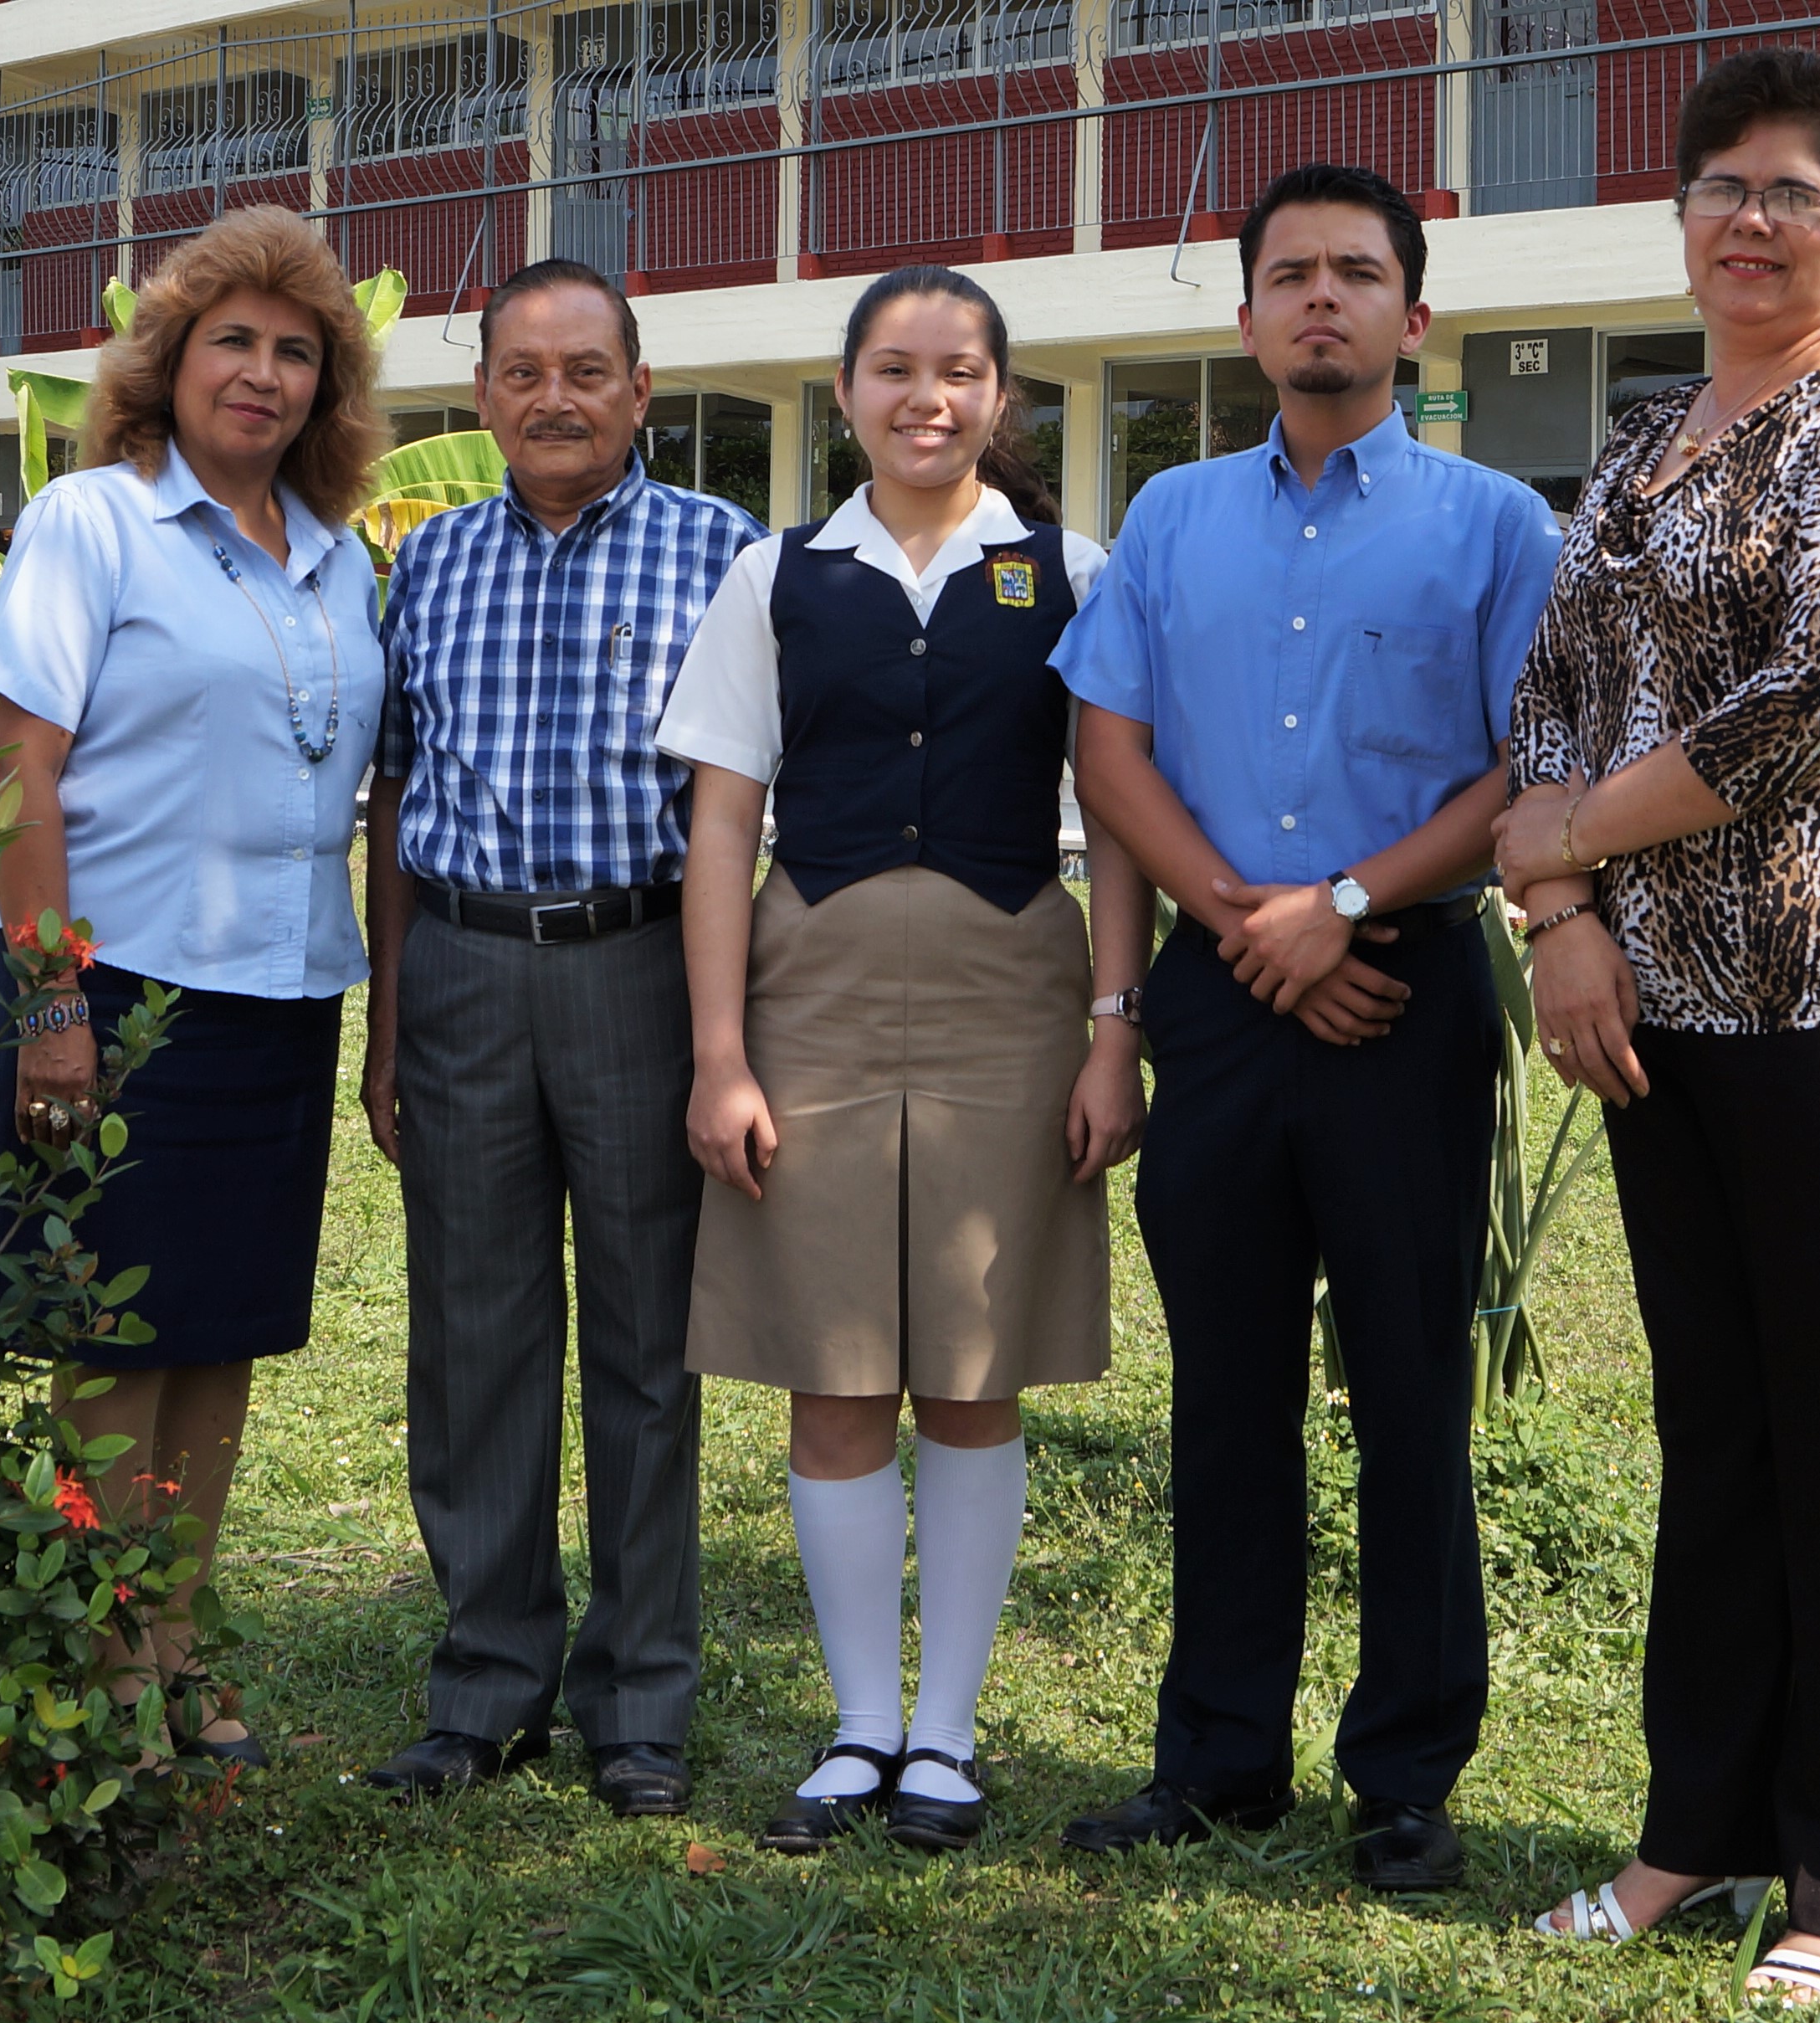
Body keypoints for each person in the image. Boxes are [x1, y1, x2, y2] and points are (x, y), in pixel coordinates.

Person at [1489, 49, 1820, 2005]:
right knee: (1719, 1430)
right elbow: (1550, 691)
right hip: (1652, 1005)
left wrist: (1568, 841)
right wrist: (1557, 917)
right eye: (1721, 188)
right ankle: (1697, 1831)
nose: (1749, 220)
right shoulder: (1637, 441)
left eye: (1792, 192)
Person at [1051, 162, 1562, 1893]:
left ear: (1415, 319)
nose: (1321, 299)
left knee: (1411, 1392)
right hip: (1216, 1000)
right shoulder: (1173, 517)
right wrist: (1237, 928)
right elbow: (1107, 755)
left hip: (1405, 993)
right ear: (1251, 313)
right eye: (1291, 274)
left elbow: (1525, 777)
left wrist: (1338, 907)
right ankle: (1218, 1757)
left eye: (1358, 274)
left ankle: (1408, 1775)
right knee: (1229, 1390)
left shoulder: (1501, 526)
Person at [659, 265, 1146, 1857]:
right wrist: (718, 1053)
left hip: (1017, 995)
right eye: (892, 369)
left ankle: (949, 1731)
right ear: (849, 389)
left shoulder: (1074, 568)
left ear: (1002, 397)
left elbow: (1122, 817)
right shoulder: (776, 571)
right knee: (836, 1362)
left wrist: (1112, 1031)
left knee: (974, 1368)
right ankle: (860, 1718)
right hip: (815, 1000)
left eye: (957, 373)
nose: (924, 398)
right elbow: (723, 816)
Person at [0, 203, 392, 1769]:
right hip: (118, 995)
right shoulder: (95, 522)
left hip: (281, 997)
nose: (264, 374)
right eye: (236, 342)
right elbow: (21, 755)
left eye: (298, 352)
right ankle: (97, 1662)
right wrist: (50, 1001)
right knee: (115, 1339)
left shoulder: (345, 563)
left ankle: (171, 1629)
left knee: (223, 1332)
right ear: (171, 360)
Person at [360, 259, 767, 1815]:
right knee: (473, 1335)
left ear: (639, 391)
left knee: (648, 1345)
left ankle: (639, 1697)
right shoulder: (433, 562)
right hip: (462, 968)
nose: (554, 399)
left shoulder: (726, 555)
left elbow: (749, 812)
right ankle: (487, 1678)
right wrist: (390, 1019)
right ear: (481, 396)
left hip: (645, 970)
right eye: (521, 372)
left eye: (585, 370)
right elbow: (394, 799)